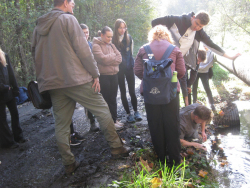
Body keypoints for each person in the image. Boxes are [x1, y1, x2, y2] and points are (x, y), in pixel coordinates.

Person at [32, 0, 130, 175]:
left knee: (61, 124)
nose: (74, 4)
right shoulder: (68, 20)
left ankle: (69, 163)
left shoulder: (39, 25)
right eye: (72, 2)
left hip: (53, 83)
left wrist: (43, 80)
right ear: (65, 3)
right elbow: (83, 49)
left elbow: (35, 54)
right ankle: (116, 148)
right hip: (76, 78)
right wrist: (95, 73)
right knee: (102, 110)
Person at [152, 11, 241, 106]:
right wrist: (161, 40)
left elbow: (212, 45)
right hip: (161, 58)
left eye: (200, 26)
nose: (197, 27)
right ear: (193, 17)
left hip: (176, 63)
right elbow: (154, 22)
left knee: (173, 89)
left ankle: (173, 109)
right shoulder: (177, 19)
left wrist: (230, 57)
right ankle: (155, 104)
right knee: (159, 85)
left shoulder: (199, 33)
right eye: (196, 23)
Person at [134, 25, 186, 165]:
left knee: (155, 125)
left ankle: (161, 158)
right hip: (171, 93)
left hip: (151, 94)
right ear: (167, 36)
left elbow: (138, 70)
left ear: (152, 36)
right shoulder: (174, 49)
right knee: (172, 125)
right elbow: (181, 72)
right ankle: (175, 160)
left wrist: (152, 81)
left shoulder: (143, 49)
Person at [92, 26, 124, 131]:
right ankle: (108, 123)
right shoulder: (96, 45)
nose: (110, 39)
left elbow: (119, 58)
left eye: (111, 37)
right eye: (108, 37)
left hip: (114, 75)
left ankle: (114, 120)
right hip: (104, 76)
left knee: (113, 98)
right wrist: (112, 57)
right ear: (102, 35)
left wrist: (110, 57)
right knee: (106, 100)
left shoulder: (111, 45)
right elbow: (102, 60)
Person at [112, 19, 142, 123]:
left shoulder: (129, 38)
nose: (122, 30)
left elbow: (131, 53)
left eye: (124, 27)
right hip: (119, 70)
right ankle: (128, 114)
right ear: (116, 28)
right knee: (123, 92)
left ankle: (136, 111)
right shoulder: (113, 40)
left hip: (129, 68)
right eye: (120, 27)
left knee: (132, 91)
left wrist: (132, 65)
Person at [0, 48, 27, 149]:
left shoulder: (4, 55)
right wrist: (4, 87)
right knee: (2, 119)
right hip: (1, 93)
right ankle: (8, 142)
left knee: (15, 113)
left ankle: (18, 136)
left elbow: (10, 72)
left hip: (9, 92)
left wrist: (15, 88)